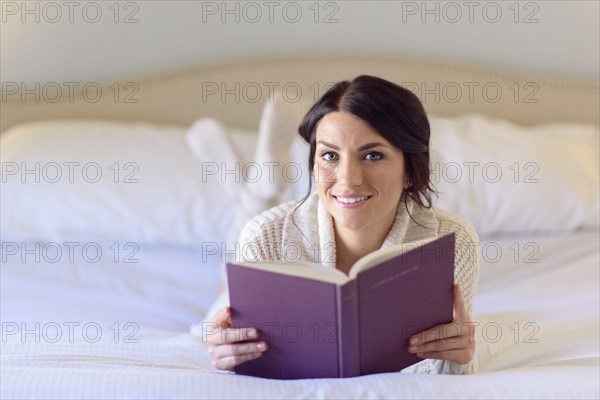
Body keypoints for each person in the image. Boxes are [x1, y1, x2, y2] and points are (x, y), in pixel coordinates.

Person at [204, 75, 480, 375]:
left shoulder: (452, 242)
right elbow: (246, 368)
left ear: (410, 169)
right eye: (330, 155)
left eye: (373, 155)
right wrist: (225, 352)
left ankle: (262, 183)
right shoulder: (263, 236)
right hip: (261, 240)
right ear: (313, 164)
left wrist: (460, 357)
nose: (348, 179)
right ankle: (259, 189)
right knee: (220, 296)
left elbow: (442, 372)